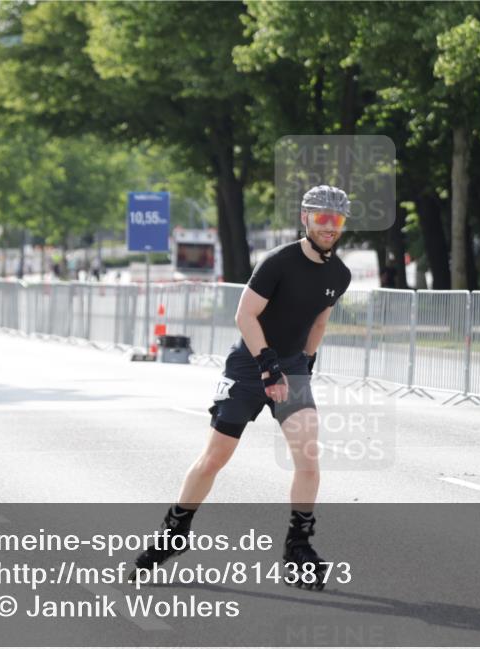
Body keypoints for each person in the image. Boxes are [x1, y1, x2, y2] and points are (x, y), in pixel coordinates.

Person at [130, 185, 352, 590]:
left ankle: (297, 546)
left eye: (335, 219)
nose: (328, 226)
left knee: (308, 457)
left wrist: (305, 365)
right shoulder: (278, 262)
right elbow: (245, 314)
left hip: (291, 367)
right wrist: (267, 366)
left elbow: (319, 322)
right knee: (215, 457)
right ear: (305, 218)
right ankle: (174, 531)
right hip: (250, 366)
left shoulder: (339, 274)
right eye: (321, 217)